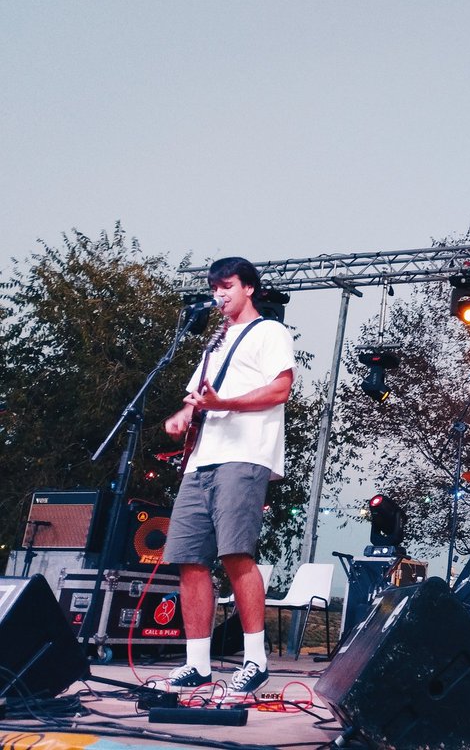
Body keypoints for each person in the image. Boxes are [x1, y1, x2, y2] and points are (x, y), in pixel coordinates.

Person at [157, 257, 295, 695]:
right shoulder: (214, 341)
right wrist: (183, 414)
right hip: (202, 460)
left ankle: (255, 659)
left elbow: (280, 389)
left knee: (236, 552)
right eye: (215, 287)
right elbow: (200, 399)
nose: (219, 294)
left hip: (245, 454)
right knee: (189, 559)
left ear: (249, 288)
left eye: (228, 286)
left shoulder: (269, 331)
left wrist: (224, 405)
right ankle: (197, 664)